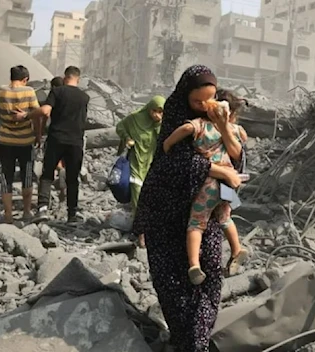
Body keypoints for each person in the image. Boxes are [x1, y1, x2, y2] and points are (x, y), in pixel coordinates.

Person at [132, 65, 244, 351]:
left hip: (205, 213)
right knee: (173, 284)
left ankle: (197, 340)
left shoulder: (221, 119)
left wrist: (221, 127)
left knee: (209, 278)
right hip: (168, 215)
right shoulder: (175, 116)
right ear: (185, 97)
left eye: (210, 98)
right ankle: (188, 339)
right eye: (197, 102)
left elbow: (238, 159)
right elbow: (171, 160)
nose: (204, 106)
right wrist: (220, 171)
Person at [162, 90, 248, 285]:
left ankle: (194, 264)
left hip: (209, 183)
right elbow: (242, 140)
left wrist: (168, 143)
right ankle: (236, 248)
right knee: (225, 218)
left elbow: (185, 130)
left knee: (196, 223)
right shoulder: (234, 129)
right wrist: (230, 125)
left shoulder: (201, 126)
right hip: (229, 183)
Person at [15, 66, 90, 224]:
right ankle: (72, 215)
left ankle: (42, 209)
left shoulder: (57, 92)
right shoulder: (84, 97)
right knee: (72, 179)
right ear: (78, 78)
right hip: (76, 142)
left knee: (47, 175)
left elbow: (45, 111)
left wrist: (26, 116)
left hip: (56, 139)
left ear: (65, 77)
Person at [115, 95, 165, 247]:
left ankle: (150, 228)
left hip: (151, 166)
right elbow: (120, 127)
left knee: (151, 198)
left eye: (161, 112)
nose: (157, 114)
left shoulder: (162, 125)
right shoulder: (135, 119)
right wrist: (127, 138)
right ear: (149, 109)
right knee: (138, 197)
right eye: (154, 111)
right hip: (136, 164)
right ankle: (142, 233)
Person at [0, 65, 40, 223]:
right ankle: (27, 212)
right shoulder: (29, 91)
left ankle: (8, 215)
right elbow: (36, 114)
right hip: (25, 141)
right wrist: (38, 134)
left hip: (5, 141)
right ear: (25, 79)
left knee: (6, 177)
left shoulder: (2, 90)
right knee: (27, 177)